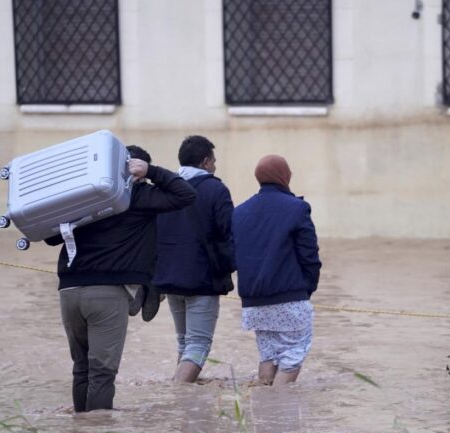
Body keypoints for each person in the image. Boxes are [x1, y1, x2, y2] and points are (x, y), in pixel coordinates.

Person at [46, 145, 196, 412]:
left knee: (81, 368)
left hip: (69, 291)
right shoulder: (137, 195)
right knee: (102, 371)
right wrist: (153, 172)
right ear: (135, 172)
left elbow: (50, 235)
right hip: (106, 293)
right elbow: (186, 194)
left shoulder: (83, 196)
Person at [232, 154, 321, 385]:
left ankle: (264, 409)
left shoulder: (239, 212)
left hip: (254, 304)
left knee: (268, 356)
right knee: (292, 355)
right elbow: (309, 256)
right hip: (290, 299)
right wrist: (306, 290)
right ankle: (279, 408)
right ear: (284, 175)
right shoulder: (297, 208)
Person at [153, 135, 235, 383]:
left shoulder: (165, 188)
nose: (215, 166)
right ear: (205, 162)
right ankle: (177, 392)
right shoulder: (215, 189)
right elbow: (229, 232)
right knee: (198, 345)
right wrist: (231, 267)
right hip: (202, 278)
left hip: (168, 278)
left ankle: (183, 406)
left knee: (184, 341)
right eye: (214, 161)